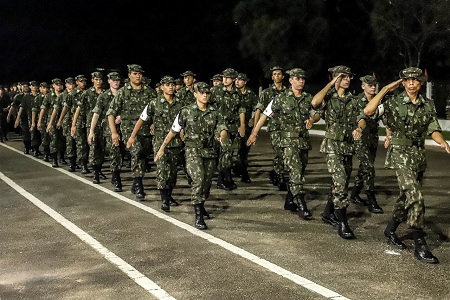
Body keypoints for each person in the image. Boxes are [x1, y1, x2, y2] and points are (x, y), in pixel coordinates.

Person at [364, 67, 450, 264]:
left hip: (418, 155)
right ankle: (420, 243)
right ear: (402, 83)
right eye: (407, 80)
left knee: (406, 197)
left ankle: (391, 229)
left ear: (421, 83)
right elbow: (368, 111)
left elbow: (433, 128)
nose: (411, 83)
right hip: (400, 154)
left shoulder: (427, 104)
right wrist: (385, 89)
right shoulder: (393, 102)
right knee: (415, 196)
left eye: (415, 80)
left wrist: (442, 141)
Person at [248, 68, 320, 219]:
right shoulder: (280, 98)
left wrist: (312, 120)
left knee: (299, 172)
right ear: (291, 80)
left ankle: (289, 200)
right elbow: (265, 115)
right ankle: (302, 204)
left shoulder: (308, 98)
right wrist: (254, 133)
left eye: (303, 79)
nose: (301, 81)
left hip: (303, 141)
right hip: (287, 142)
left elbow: (316, 114)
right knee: (295, 172)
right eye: (297, 79)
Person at [154, 82, 227, 230]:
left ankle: (201, 204)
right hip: (193, 151)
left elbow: (222, 128)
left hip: (210, 152)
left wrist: (222, 137)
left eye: (207, 93)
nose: (205, 95)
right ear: (195, 94)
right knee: (198, 180)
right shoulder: (186, 112)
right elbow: (173, 131)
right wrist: (162, 148)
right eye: (201, 92)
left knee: (206, 184)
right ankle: (198, 215)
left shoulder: (215, 112)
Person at [311, 65, 365, 240]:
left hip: (348, 147)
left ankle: (328, 213)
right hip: (333, 146)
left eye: (349, 77)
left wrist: (359, 128)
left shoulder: (354, 100)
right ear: (335, 79)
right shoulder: (329, 98)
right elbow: (315, 103)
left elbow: (362, 117)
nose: (348, 79)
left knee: (339, 183)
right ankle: (343, 222)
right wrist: (332, 83)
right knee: (340, 182)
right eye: (343, 77)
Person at [127, 75, 183, 211]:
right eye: (167, 84)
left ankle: (169, 195)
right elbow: (141, 119)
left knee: (173, 172)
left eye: (172, 84)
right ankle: (164, 200)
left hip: (175, 143)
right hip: (159, 142)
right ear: (162, 87)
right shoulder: (154, 103)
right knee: (162, 170)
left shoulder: (180, 103)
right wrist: (132, 136)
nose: (170, 87)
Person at [107, 64, 156, 200]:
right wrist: (113, 132)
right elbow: (111, 112)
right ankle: (139, 185)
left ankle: (136, 182)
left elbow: (156, 111)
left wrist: (153, 123)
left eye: (140, 73)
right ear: (129, 75)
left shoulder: (149, 92)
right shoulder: (123, 92)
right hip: (129, 132)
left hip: (146, 132)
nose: (138, 75)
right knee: (137, 153)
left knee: (143, 155)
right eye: (135, 73)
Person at [350, 75, 384, 213]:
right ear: (363, 86)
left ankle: (355, 193)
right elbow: (361, 118)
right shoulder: (357, 101)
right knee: (369, 168)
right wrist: (359, 128)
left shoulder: (379, 100)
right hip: (360, 137)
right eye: (369, 85)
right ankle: (371, 198)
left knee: (364, 167)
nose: (373, 87)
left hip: (373, 137)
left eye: (374, 85)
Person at [210, 68, 245, 191]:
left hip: (232, 127)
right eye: (223, 77)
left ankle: (224, 178)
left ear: (234, 79)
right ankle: (222, 179)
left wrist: (242, 125)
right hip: (219, 126)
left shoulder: (237, 93)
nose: (224, 79)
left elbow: (241, 109)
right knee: (225, 152)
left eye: (228, 77)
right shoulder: (215, 91)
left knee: (228, 153)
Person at [254, 66, 287, 190]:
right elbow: (259, 110)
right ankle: (280, 176)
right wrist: (255, 130)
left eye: (279, 74)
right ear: (272, 77)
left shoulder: (288, 92)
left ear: (283, 76)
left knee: (285, 152)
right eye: (274, 74)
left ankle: (276, 171)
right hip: (274, 127)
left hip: (287, 128)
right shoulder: (267, 93)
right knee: (279, 151)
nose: (277, 76)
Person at [89, 71, 123, 189]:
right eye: (113, 80)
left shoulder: (124, 94)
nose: (116, 82)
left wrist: (122, 117)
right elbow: (96, 113)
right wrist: (91, 131)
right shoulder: (103, 96)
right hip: (110, 130)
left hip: (126, 128)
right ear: (109, 81)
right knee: (115, 153)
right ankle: (116, 178)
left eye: (117, 80)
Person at [234, 72, 258, 183]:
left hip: (247, 125)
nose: (237, 81)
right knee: (233, 150)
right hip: (234, 125)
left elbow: (257, 108)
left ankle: (241, 169)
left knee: (244, 150)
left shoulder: (250, 94)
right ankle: (242, 173)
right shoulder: (233, 93)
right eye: (236, 79)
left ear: (245, 81)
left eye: (240, 80)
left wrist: (253, 121)